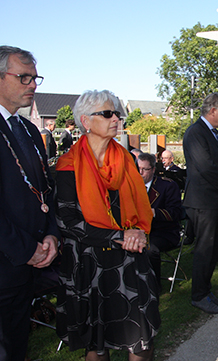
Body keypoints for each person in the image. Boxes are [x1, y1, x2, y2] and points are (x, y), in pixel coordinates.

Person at [55, 90, 159, 361]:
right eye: (107, 113)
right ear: (85, 121)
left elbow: (141, 208)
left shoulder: (126, 160)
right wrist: (119, 235)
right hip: (90, 264)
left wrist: (136, 234)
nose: (116, 118)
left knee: (141, 341)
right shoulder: (67, 166)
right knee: (96, 346)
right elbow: (68, 221)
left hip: (130, 259)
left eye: (117, 113)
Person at [0, 45, 60, 361]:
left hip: (31, 264)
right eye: (24, 77)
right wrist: (27, 249)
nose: (33, 85)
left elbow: (45, 190)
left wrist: (51, 235)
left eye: (35, 78)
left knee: (18, 344)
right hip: (6, 260)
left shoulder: (29, 130)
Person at [182, 93, 218, 314]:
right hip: (203, 202)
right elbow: (205, 167)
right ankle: (199, 296)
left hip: (216, 200)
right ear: (212, 110)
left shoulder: (214, 134)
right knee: (205, 249)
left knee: (215, 249)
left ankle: (206, 291)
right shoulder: (196, 133)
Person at [137, 152, 182, 290]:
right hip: (139, 230)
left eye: (145, 169)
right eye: (138, 168)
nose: (140, 172)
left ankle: (153, 286)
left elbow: (176, 213)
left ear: (153, 169)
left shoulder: (167, 186)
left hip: (164, 232)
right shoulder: (132, 185)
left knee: (149, 249)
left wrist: (154, 213)